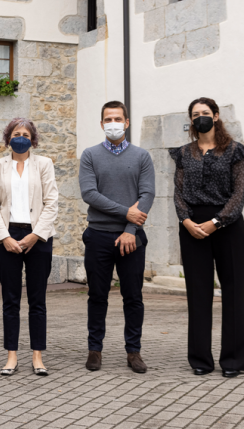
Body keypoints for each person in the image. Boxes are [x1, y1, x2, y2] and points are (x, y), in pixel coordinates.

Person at [170, 97, 244, 378]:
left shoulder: (235, 151)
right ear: (191, 121)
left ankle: (234, 360)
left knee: (235, 291)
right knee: (198, 293)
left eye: (205, 113)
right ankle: (200, 359)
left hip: (228, 225)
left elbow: (239, 194)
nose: (199, 117)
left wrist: (216, 221)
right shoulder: (183, 153)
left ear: (215, 116)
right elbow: (178, 192)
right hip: (191, 227)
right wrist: (186, 220)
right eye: (194, 114)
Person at [79, 101, 155, 374]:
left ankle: (133, 352)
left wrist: (130, 229)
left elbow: (147, 195)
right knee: (97, 296)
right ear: (101, 124)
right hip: (98, 235)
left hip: (132, 238)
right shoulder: (90, 155)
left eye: (118, 118)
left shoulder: (141, 156)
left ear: (127, 122)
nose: (113, 123)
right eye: (108, 119)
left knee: (133, 297)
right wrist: (127, 214)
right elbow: (90, 194)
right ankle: (94, 350)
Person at [0, 118, 58, 376]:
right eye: (16, 133)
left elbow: (52, 203)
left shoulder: (44, 164)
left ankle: (37, 356)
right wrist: (4, 237)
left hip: (38, 237)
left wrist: (36, 235)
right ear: (8, 137)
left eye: (26, 133)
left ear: (33, 139)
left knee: (37, 300)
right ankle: (11, 355)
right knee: (10, 299)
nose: (21, 137)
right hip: (8, 235)